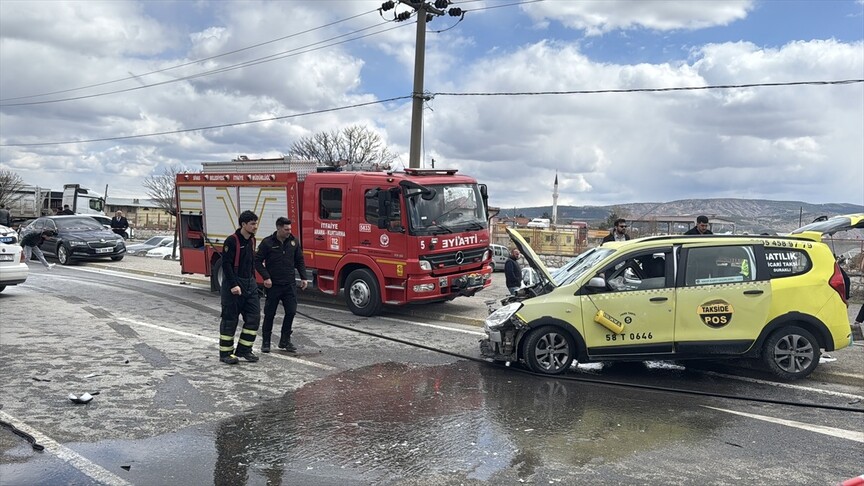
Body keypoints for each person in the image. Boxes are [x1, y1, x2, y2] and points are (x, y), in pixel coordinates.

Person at [254, 217, 308, 353]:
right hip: (273, 285)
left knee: (291, 311)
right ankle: (266, 341)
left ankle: (285, 341)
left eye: (290, 229)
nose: (289, 232)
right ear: (278, 228)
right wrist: (266, 277)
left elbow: (299, 260)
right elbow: (257, 261)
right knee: (270, 314)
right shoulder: (267, 243)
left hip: (289, 284)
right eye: (286, 229)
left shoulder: (294, 242)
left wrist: (303, 277)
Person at [218, 210, 261, 365]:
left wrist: (254, 283)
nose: (255, 226)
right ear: (244, 224)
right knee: (230, 320)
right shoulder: (231, 241)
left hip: (249, 285)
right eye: (252, 224)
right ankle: (225, 353)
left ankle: (244, 350)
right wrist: (234, 285)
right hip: (233, 286)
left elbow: (250, 264)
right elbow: (226, 265)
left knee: (254, 318)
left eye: (256, 223)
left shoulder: (252, 240)